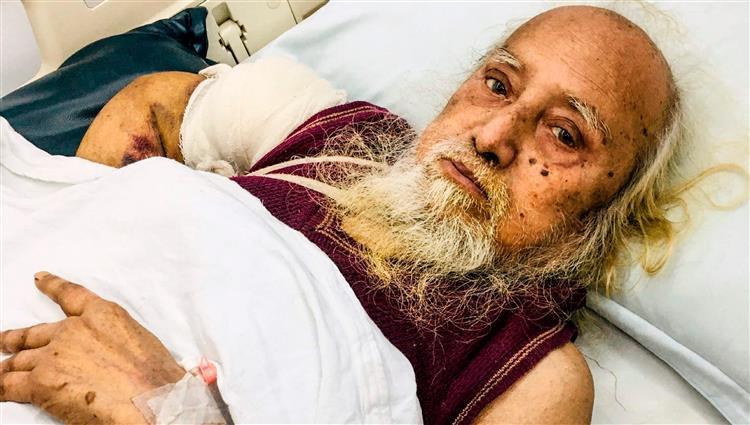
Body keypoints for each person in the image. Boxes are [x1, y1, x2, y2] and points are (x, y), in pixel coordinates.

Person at [0, 5, 683, 424]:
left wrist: (164, 408)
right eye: (498, 83)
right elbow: (158, 103)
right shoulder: (339, 130)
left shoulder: (530, 371)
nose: (492, 135)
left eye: (564, 134)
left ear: (604, 211)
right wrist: (100, 238)